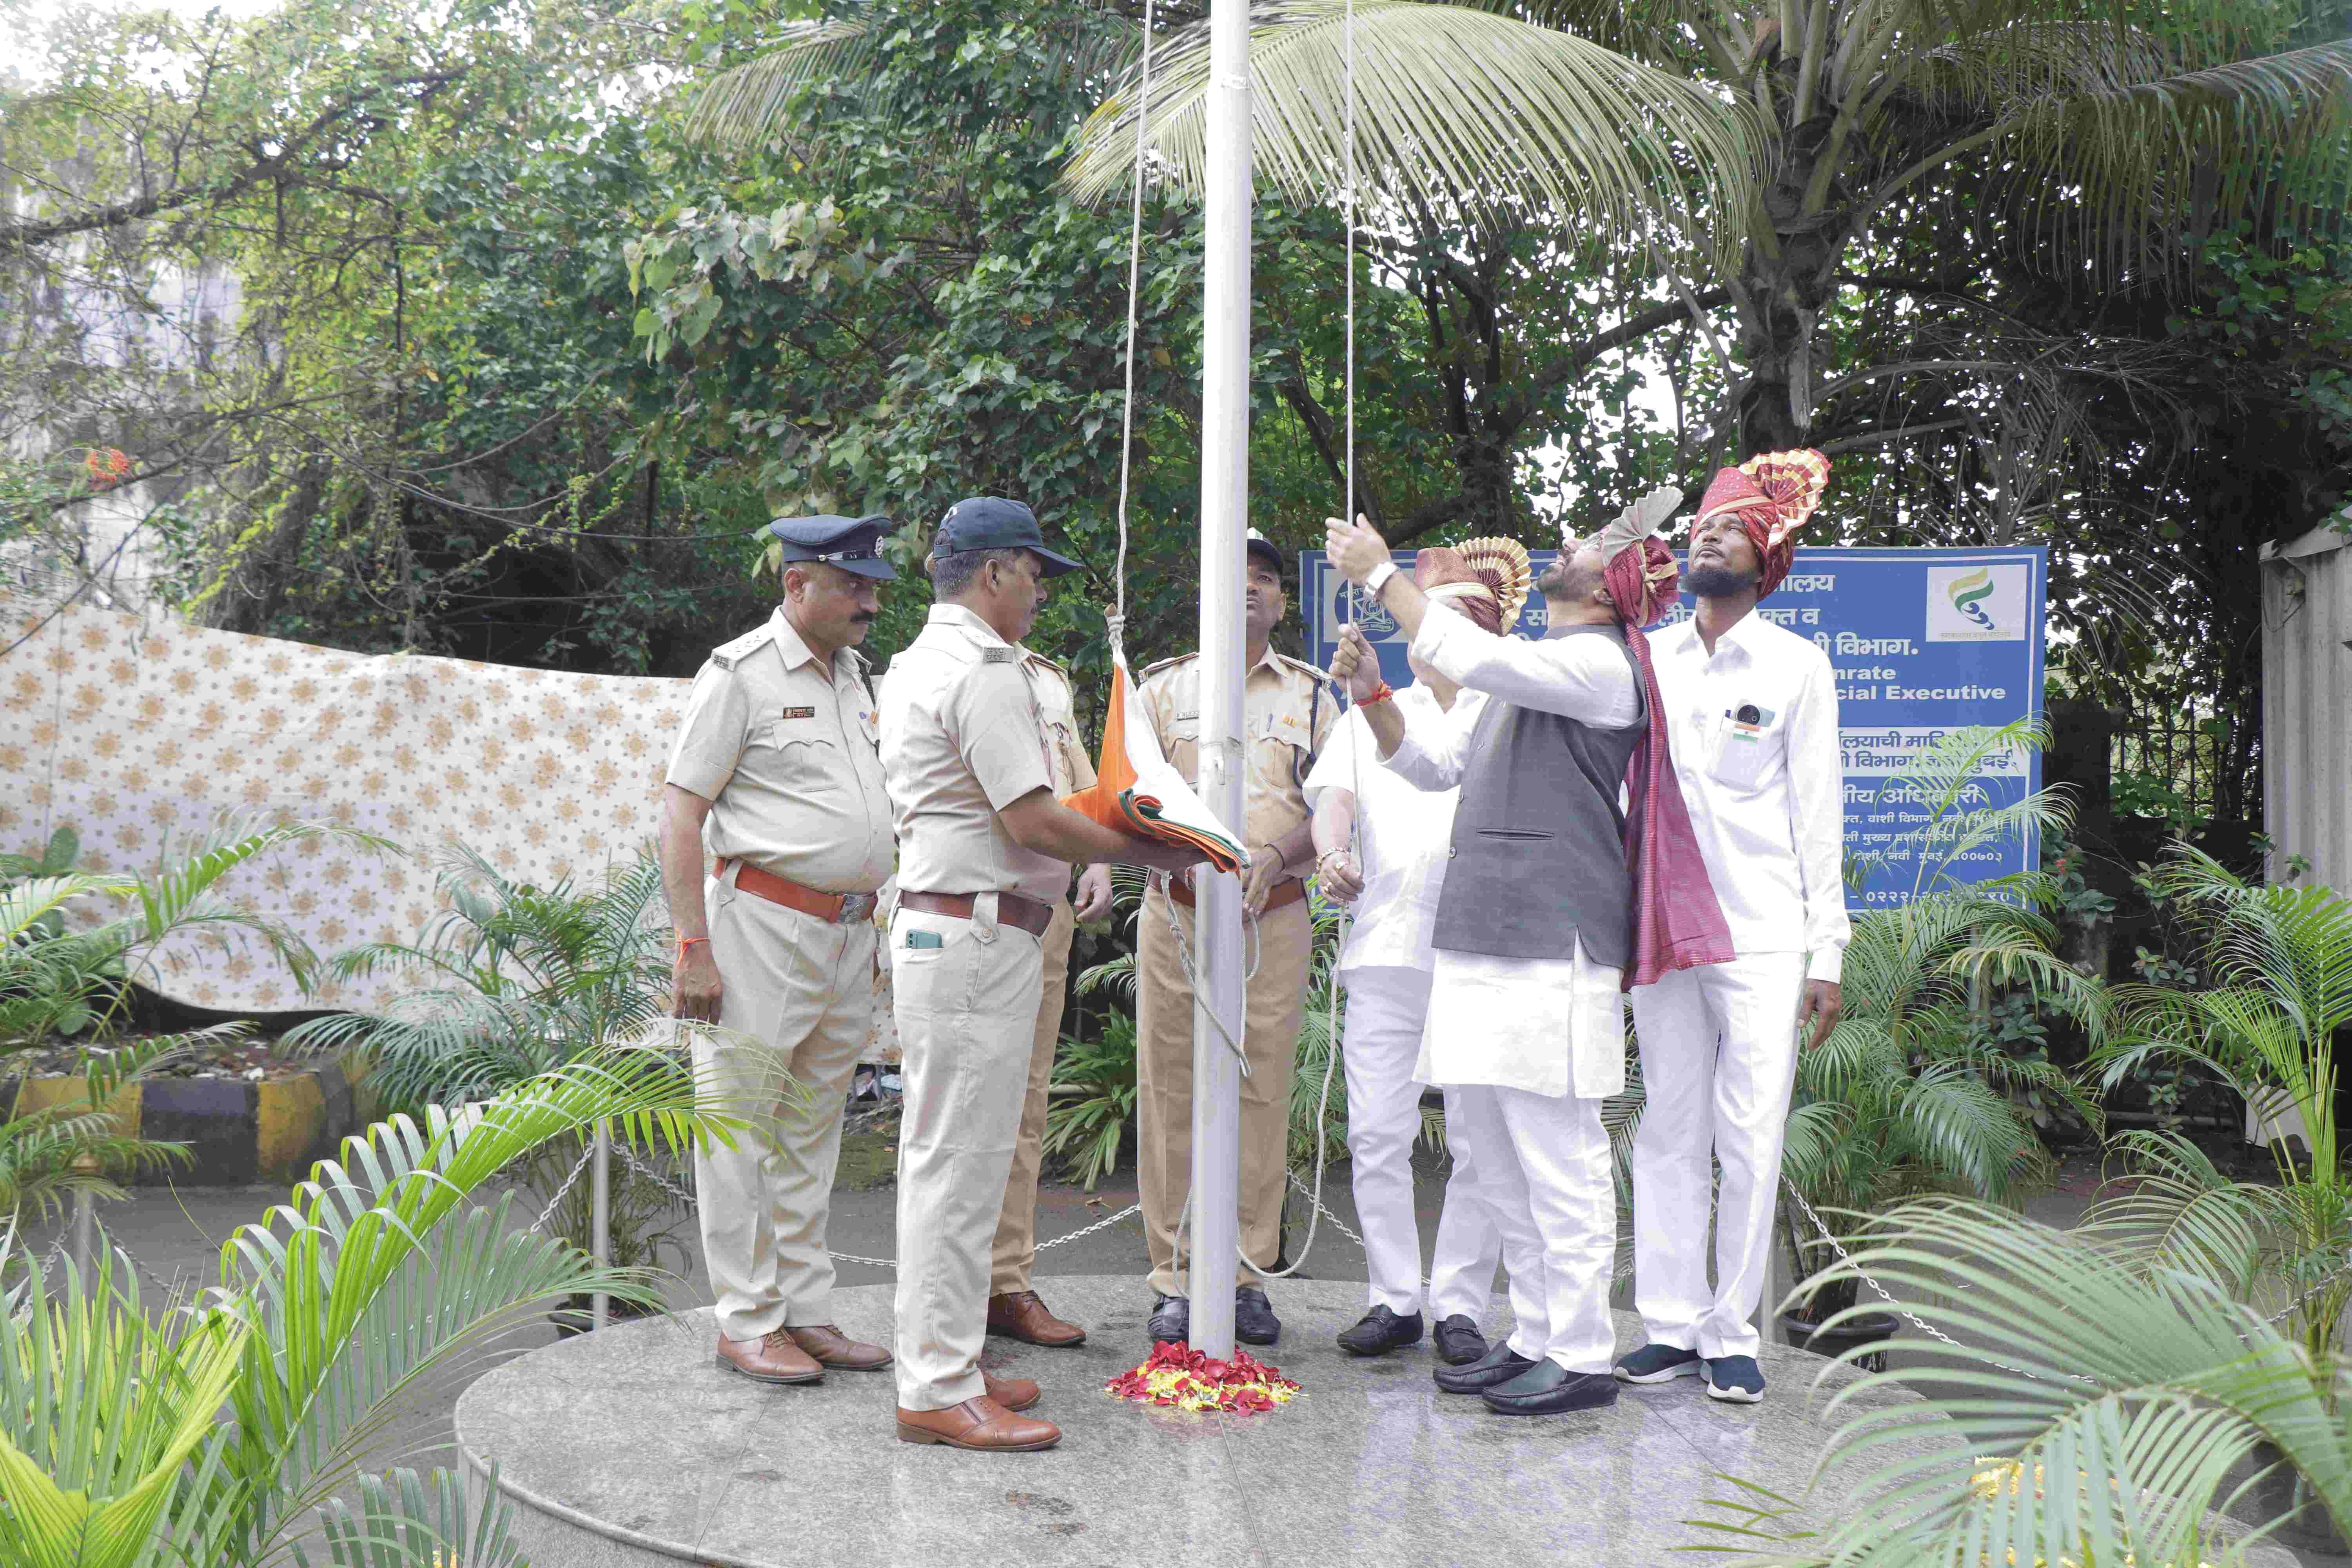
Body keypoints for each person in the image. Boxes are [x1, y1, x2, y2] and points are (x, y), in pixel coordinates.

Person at [1322, 490, 1729, 1418]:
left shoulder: (1602, 663)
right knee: (1500, 1155)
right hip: (1482, 935)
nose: (1565, 546)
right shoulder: (1535, 673)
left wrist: (1382, 575)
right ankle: (1538, 1333)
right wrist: (1374, 695)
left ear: (1612, 585)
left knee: (1559, 1153)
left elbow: (1471, 654)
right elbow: (1430, 764)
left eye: (1584, 545)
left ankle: (1582, 1352)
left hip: (1553, 936)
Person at [879, 495, 1205, 1452]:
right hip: (975, 932)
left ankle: (946, 1358)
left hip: (968, 929)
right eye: (1033, 574)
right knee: (956, 1166)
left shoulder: (921, 661)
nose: (1039, 594)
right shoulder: (981, 669)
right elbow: (1031, 817)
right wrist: (1158, 850)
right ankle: (936, 1383)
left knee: (961, 1163)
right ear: (993, 573)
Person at [1614, 449, 1848, 1406]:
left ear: (1766, 561)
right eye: (1700, 528)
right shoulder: (1648, 658)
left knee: (1749, 1132)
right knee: (1669, 1122)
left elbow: (1818, 815)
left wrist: (1827, 953)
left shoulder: (1798, 666)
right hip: (1664, 923)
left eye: (1727, 531)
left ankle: (1731, 1332)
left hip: (1762, 932)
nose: (1705, 540)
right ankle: (1669, 1325)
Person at [660, 512, 902, 1389]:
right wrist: (693, 945)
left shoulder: (858, 677)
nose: (870, 601)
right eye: (852, 585)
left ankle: (805, 1309)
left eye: (873, 585)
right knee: (739, 1129)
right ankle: (748, 1319)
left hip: (845, 932)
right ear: (797, 584)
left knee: (812, 1130)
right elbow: (682, 811)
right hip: (760, 926)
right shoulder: (741, 673)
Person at [1304, 555, 1512, 1365]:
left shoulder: (1512, 707)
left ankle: (1460, 1303)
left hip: (1482, 950)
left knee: (1477, 1138)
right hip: (1387, 943)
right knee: (1376, 1130)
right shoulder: (1372, 709)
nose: (1426, 637)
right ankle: (1394, 1296)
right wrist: (1332, 854)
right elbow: (1335, 800)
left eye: (1447, 622)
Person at [1133, 528, 1338, 1348]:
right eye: (1235, 574)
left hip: (1273, 914)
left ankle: (1248, 1272)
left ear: (1282, 602)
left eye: (1265, 578)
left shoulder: (1313, 696)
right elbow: (1124, 794)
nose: (1250, 586)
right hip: (1178, 911)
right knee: (1171, 1086)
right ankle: (1177, 1277)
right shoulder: (1161, 689)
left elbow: (1340, 803)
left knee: (1262, 1088)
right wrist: (1173, 849)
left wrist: (1280, 854)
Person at [984, 645, 1116, 1350]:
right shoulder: (946, 666)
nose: (1039, 594)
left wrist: (1098, 860)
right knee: (962, 1115)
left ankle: (1006, 1283)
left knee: (1026, 1105)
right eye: (1029, 586)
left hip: (1045, 912)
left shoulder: (1047, 678)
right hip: (970, 912)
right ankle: (949, 1297)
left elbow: (1082, 786)